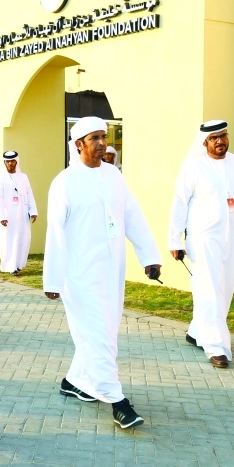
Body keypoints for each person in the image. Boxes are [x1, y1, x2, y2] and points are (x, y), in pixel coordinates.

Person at [43, 116, 162, 429]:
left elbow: (132, 215)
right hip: (79, 275)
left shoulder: (113, 175)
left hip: (111, 271)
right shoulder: (65, 182)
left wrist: (149, 256)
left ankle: (75, 381)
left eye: (104, 136)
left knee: (103, 332)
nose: (101, 143)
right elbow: (55, 233)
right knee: (98, 335)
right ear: (78, 144)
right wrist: (52, 278)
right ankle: (117, 401)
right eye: (94, 138)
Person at [168, 120, 234, 369]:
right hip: (204, 239)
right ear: (204, 142)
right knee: (211, 289)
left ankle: (197, 332)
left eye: (223, 136)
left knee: (224, 289)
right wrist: (174, 239)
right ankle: (217, 348)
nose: (220, 141)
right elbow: (180, 203)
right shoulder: (194, 167)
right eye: (214, 138)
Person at [0, 151, 38, 275]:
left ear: (16, 161)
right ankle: (10, 266)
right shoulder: (1, 179)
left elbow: (29, 194)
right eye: (7, 161)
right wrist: (2, 216)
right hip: (9, 216)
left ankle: (18, 265)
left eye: (12, 161)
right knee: (9, 240)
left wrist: (33, 211)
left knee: (23, 238)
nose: (10, 163)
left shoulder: (23, 177)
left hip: (22, 214)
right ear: (4, 162)